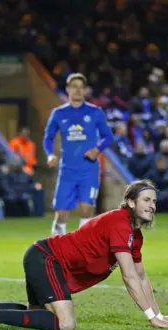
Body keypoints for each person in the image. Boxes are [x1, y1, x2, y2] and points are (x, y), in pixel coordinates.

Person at [0, 180, 168, 330]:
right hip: (47, 259)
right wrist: (151, 319)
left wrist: (159, 315)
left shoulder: (135, 236)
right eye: (146, 200)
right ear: (130, 202)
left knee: (36, 314)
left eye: (155, 202)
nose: (152, 206)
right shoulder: (119, 222)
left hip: (45, 258)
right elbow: (128, 276)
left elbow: (141, 276)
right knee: (65, 323)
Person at [43, 73, 114, 236]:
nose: (78, 90)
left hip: (89, 170)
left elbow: (108, 136)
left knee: (86, 211)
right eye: (74, 87)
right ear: (68, 89)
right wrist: (50, 155)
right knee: (61, 214)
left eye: (81, 87)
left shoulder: (95, 112)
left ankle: (84, 251)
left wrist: (97, 149)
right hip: (67, 170)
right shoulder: (59, 113)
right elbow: (48, 137)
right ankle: (57, 249)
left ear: (85, 90)